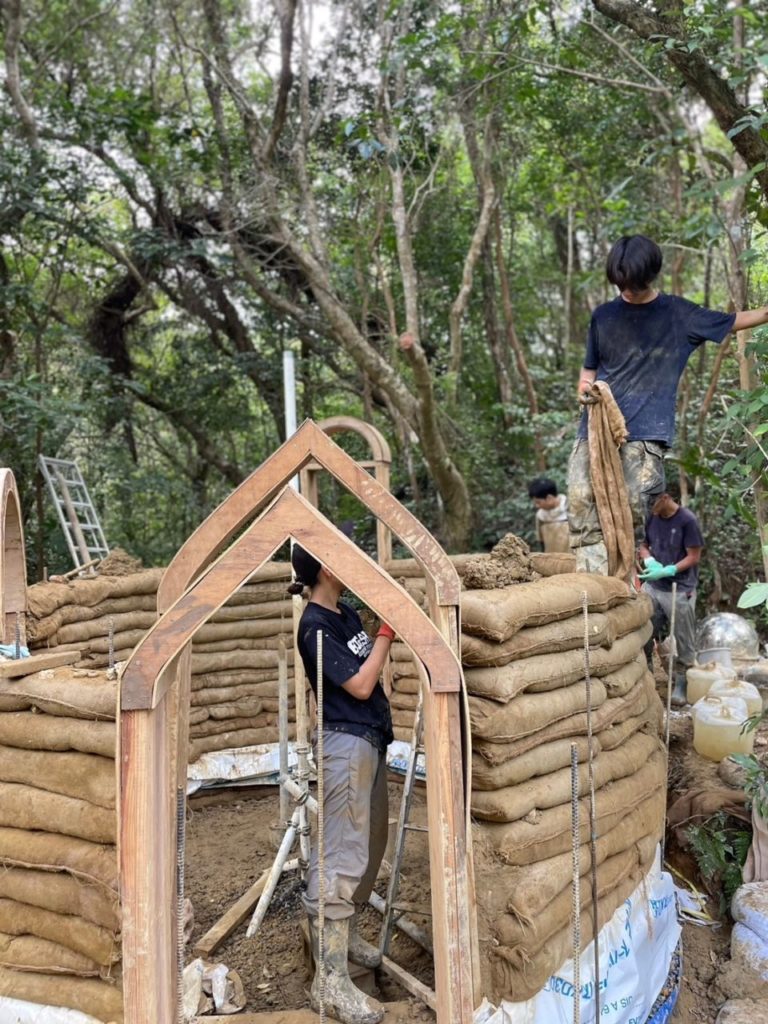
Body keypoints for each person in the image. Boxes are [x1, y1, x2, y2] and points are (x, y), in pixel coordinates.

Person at [568, 234, 768, 573]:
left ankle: (622, 587)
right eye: (621, 284)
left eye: (633, 284)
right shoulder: (603, 316)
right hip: (594, 431)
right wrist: (585, 387)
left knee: (631, 512)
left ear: (650, 275)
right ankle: (590, 588)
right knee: (580, 504)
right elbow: (590, 368)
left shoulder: (679, 314)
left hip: (645, 435)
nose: (627, 291)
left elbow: (733, 321)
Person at [288, 540, 394, 1024]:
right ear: (327, 569)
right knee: (341, 852)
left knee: (369, 843)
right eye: (343, 555)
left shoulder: (345, 613)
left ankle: (343, 939)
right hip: (344, 744)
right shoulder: (315, 626)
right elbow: (361, 685)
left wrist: (377, 629)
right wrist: (387, 632)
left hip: (367, 739)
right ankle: (329, 980)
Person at [638, 485, 704, 705]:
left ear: (665, 498)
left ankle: (682, 682)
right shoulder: (651, 516)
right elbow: (643, 544)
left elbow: (694, 556)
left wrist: (671, 569)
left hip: (680, 588)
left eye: (655, 505)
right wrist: (649, 560)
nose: (652, 510)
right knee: (644, 630)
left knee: (684, 639)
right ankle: (647, 674)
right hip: (654, 585)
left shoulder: (687, 520)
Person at [528, 477, 569, 552]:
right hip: (550, 556)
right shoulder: (540, 516)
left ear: (549, 498)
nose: (537, 506)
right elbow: (541, 541)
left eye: (538, 502)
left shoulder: (570, 508)